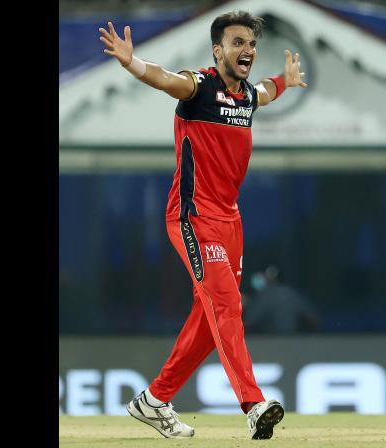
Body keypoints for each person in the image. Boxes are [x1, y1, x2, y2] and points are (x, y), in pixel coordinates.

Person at [98, 10, 308, 440]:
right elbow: (164, 79)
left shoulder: (248, 95)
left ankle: (154, 400)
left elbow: (266, 91)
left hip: (231, 220)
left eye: (251, 43)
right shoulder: (199, 86)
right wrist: (132, 63)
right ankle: (253, 404)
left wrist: (286, 79)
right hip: (193, 218)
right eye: (237, 42)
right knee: (227, 305)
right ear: (218, 50)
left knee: (211, 315)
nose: (247, 50)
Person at [244, 265, 320, 334]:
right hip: (293, 341)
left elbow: (249, 322)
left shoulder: (265, 295)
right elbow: (314, 319)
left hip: (270, 342)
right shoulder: (292, 293)